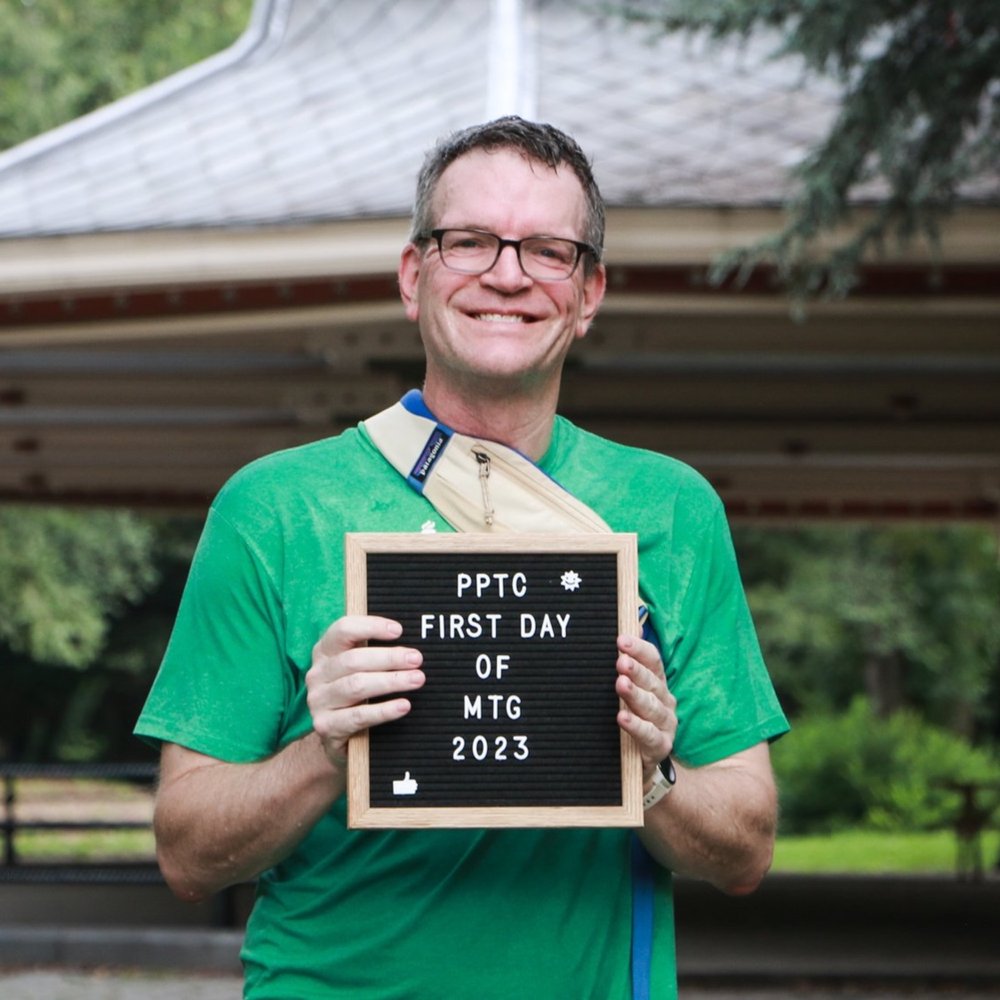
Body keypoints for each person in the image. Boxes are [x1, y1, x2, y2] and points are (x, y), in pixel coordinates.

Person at [136, 116, 788, 999]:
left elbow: (745, 851)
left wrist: (655, 772)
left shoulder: (671, 509)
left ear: (589, 293)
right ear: (415, 276)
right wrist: (323, 751)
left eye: (549, 251)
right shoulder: (274, 508)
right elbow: (186, 851)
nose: (507, 274)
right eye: (470, 241)